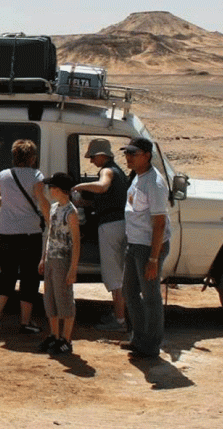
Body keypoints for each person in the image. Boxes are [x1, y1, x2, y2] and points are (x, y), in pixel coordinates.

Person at [0, 139, 50, 333]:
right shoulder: (36, 175)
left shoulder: (2, 176)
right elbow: (41, 200)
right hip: (29, 233)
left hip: (5, 232)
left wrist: (6, 203)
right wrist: (50, 221)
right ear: (32, 158)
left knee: (7, 275)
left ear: (14, 156)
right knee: (29, 277)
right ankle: (25, 322)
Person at [120, 137, 170, 359]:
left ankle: (151, 345)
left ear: (147, 156)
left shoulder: (154, 183)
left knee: (150, 296)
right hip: (135, 243)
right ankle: (139, 338)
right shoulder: (138, 177)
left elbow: (159, 223)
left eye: (133, 153)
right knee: (129, 291)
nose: (128, 157)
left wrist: (153, 258)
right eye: (127, 153)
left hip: (148, 247)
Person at [72, 138, 129, 332]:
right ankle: (120, 314)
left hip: (111, 226)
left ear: (102, 156)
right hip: (121, 223)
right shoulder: (119, 172)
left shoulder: (107, 171)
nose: (91, 161)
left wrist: (80, 187)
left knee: (114, 276)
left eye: (93, 157)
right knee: (120, 273)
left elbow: (103, 186)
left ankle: (120, 321)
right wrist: (85, 203)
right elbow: (108, 198)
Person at [37, 173, 81, 355]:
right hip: (51, 258)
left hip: (63, 259)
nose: (49, 191)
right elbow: (50, 234)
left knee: (64, 299)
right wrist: (43, 257)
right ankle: (54, 335)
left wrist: (73, 268)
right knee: (50, 299)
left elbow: (76, 241)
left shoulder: (71, 212)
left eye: (52, 187)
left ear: (59, 189)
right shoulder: (55, 208)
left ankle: (66, 339)